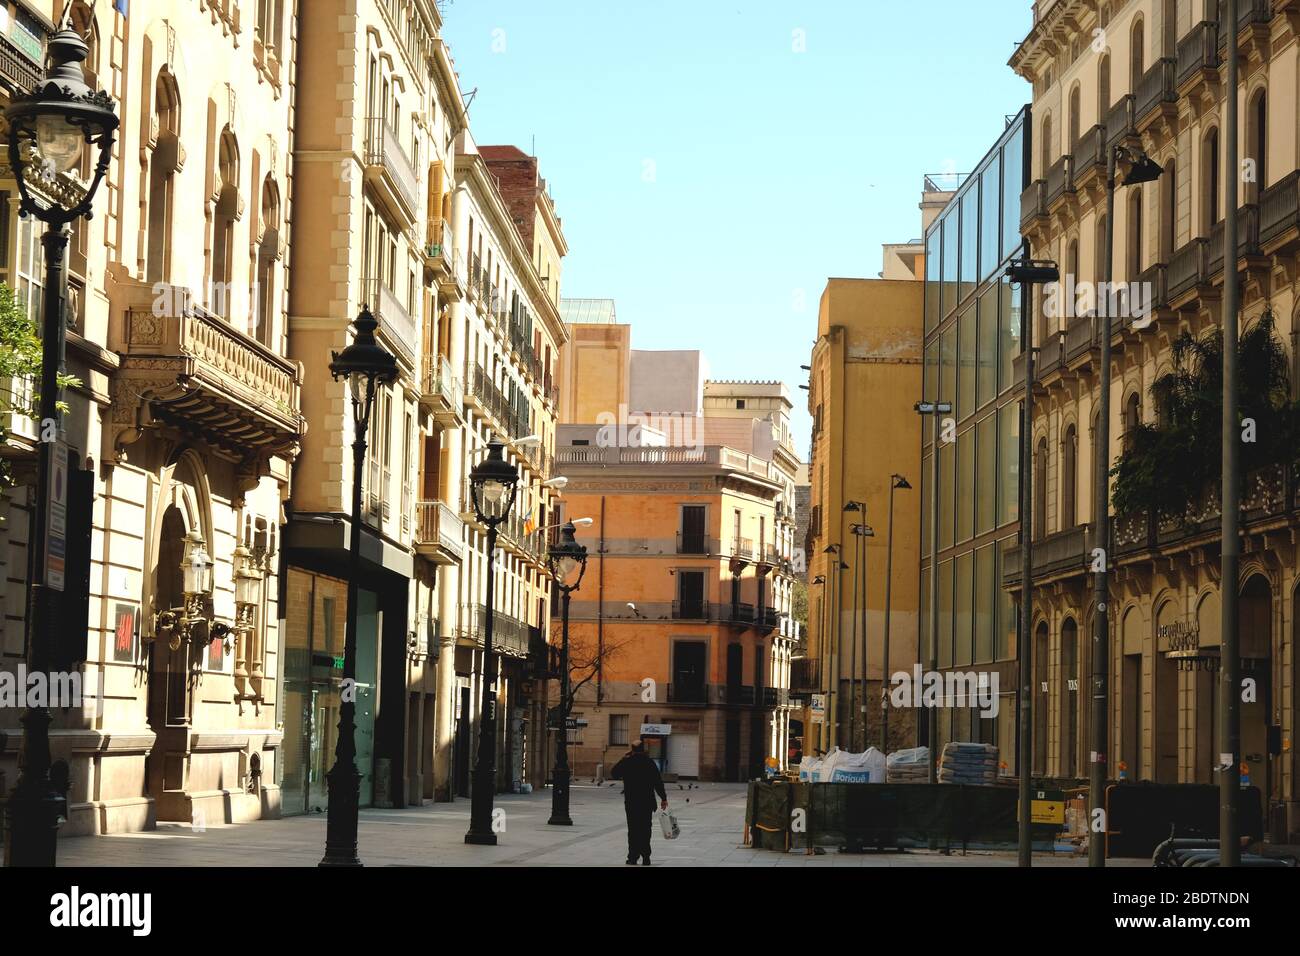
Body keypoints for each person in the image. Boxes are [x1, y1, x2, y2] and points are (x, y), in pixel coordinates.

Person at [609, 739, 668, 865]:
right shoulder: (649, 762)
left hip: (632, 802)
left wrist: (624, 758)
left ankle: (633, 857)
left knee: (633, 829)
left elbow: (614, 773)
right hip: (647, 802)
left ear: (632, 750)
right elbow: (658, 782)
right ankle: (646, 857)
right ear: (643, 749)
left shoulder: (627, 762)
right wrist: (663, 798)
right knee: (646, 829)